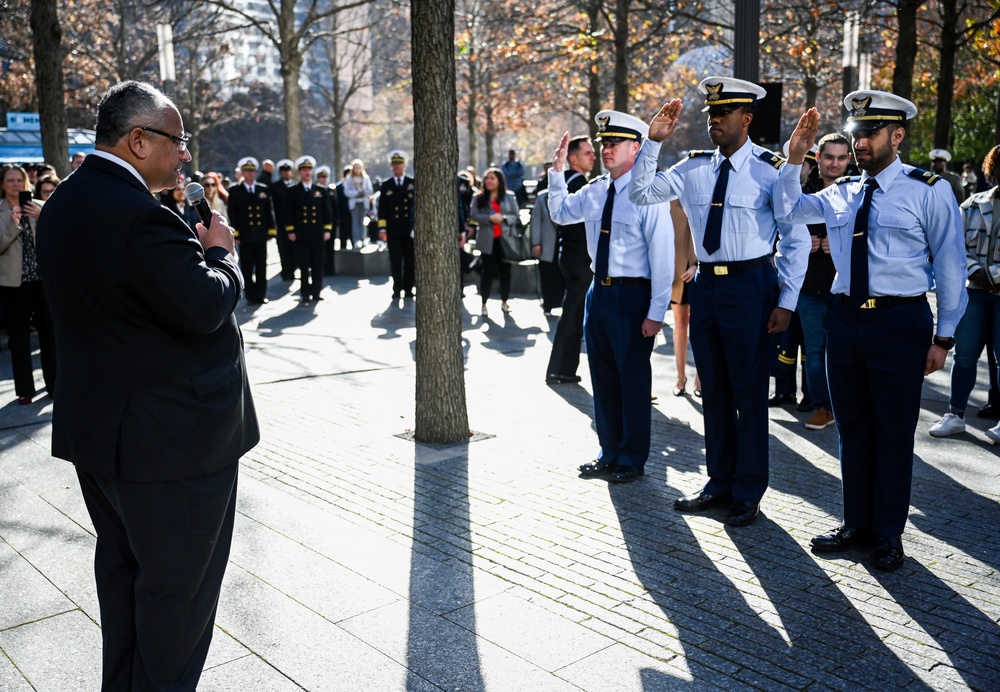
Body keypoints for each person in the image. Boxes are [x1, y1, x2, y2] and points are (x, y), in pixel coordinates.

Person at [35, 80, 259, 690]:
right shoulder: (138, 217)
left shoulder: (64, 204)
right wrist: (223, 255)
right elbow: (205, 307)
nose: (185, 153)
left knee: (128, 587)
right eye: (177, 140)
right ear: (138, 140)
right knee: (176, 607)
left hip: (105, 437)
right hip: (172, 445)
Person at [780, 91, 967, 570]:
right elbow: (789, 210)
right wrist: (793, 157)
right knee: (854, 429)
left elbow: (950, 265)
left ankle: (888, 533)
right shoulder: (841, 191)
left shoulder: (928, 189)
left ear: (897, 135)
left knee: (892, 432)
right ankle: (856, 524)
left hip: (899, 322)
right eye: (857, 132)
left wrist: (944, 336)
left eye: (870, 133)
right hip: (846, 319)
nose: (860, 142)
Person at [629, 78, 810, 525]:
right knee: (713, 390)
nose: (714, 120)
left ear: (746, 118)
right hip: (707, 285)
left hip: (752, 285)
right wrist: (651, 144)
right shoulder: (692, 168)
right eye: (711, 113)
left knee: (748, 395)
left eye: (723, 113)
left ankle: (748, 491)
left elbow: (795, 236)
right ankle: (719, 483)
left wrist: (786, 298)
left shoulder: (771, 169)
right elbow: (640, 193)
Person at [549, 110, 674, 484]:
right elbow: (559, 212)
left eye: (614, 142)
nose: (606, 149)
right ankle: (609, 452)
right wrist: (556, 174)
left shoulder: (647, 194)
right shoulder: (595, 190)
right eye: (604, 142)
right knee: (602, 379)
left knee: (632, 381)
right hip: (597, 293)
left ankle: (632, 458)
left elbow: (663, 258)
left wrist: (656, 312)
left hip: (632, 295)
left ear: (636, 147)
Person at [929, 145, 1000, 440]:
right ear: (992, 170)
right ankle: (955, 414)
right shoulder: (972, 204)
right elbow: (954, 245)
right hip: (973, 293)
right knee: (964, 355)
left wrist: (993, 275)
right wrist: (974, 271)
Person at [796, 132, 852, 431]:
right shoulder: (803, 190)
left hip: (847, 288)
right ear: (818, 157)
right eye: (829, 157)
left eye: (842, 158)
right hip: (809, 286)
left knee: (846, 352)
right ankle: (823, 407)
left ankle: (846, 407)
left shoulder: (858, 191)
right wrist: (808, 242)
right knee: (815, 351)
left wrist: (842, 242)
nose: (835, 163)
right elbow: (784, 232)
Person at [0, 164, 56, 405]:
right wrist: (13, 224)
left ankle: (54, 384)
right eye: (10, 180)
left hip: (42, 280)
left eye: (18, 179)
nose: (15, 184)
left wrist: (40, 217)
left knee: (50, 334)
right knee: (20, 337)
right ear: (2, 184)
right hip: (14, 283)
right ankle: (25, 390)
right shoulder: (1, 211)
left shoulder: (41, 207)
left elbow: (55, 240)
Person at [545, 135, 597, 384]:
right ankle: (560, 369)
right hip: (579, 257)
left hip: (570, 255)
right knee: (573, 315)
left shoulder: (568, 180)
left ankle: (562, 369)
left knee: (573, 314)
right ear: (573, 159)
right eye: (588, 153)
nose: (594, 156)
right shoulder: (578, 183)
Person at [227, 156, 277, 306]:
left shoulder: (263, 189)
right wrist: (236, 235)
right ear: (242, 173)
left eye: (252, 171)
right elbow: (232, 214)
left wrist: (271, 230)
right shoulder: (235, 190)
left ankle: (261, 294)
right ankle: (250, 295)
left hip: (260, 234)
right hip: (245, 234)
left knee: (261, 265)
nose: (250, 174)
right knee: (247, 266)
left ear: (256, 173)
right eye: (247, 171)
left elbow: (269, 211)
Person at [470, 167, 519, 316]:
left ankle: (504, 301)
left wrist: (503, 218)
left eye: (492, 178)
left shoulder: (509, 197)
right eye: (487, 178)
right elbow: (474, 215)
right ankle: (484, 303)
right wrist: (489, 218)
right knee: (487, 272)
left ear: (499, 181)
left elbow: (516, 216)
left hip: (505, 240)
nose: (489, 181)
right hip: (487, 241)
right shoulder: (479, 197)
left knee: (506, 272)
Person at [286, 155, 332, 304]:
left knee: (318, 264)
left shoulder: (320, 190)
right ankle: (305, 292)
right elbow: (289, 212)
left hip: (317, 234)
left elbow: (327, 212)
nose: (306, 173)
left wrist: (327, 230)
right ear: (299, 172)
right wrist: (290, 230)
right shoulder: (293, 191)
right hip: (301, 234)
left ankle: (317, 291)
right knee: (304, 265)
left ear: (312, 172)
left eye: (309, 170)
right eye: (304, 170)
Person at [668, 200, 700, 397]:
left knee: (699, 327)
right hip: (676, 272)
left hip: (701, 272)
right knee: (680, 324)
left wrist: (697, 265)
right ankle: (680, 378)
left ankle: (700, 378)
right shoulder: (669, 202)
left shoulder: (704, 193)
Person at [377, 151, 416, 299]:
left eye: (399, 163)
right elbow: (382, 209)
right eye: (394, 164)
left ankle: (408, 288)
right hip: (393, 230)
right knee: (395, 261)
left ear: (404, 165)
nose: (397, 166)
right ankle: (397, 287)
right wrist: (382, 228)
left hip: (409, 229)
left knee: (410, 261)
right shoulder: (387, 185)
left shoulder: (411, 183)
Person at [530, 176, 565, 315]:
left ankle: (561, 303)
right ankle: (548, 305)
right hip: (547, 243)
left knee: (562, 274)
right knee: (546, 273)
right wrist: (536, 243)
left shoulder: (568, 195)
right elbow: (536, 221)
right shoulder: (542, 197)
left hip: (563, 241)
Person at [270, 158, 297, 281]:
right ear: (280, 173)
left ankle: (293, 269)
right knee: (283, 248)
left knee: (294, 248)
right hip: (280, 223)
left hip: (294, 223)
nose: (286, 173)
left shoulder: (296, 186)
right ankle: (286, 272)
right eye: (284, 171)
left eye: (288, 170)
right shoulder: (274, 187)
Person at [345, 159, 374, 250]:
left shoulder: (366, 178)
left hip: (363, 202)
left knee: (363, 221)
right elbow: (347, 192)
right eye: (355, 168)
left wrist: (364, 192)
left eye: (359, 168)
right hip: (354, 203)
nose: (357, 170)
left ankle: (363, 238)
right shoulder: (349, 179)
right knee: (355, 222)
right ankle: (356, 240)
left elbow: (370, 190)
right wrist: (356, 193)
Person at [335, 165, 354, 249]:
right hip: (343, 216)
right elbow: (337, 203)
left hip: (353, 215)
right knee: (343, 238)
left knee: (354, 237)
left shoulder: (355, 187)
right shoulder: (338, 188)